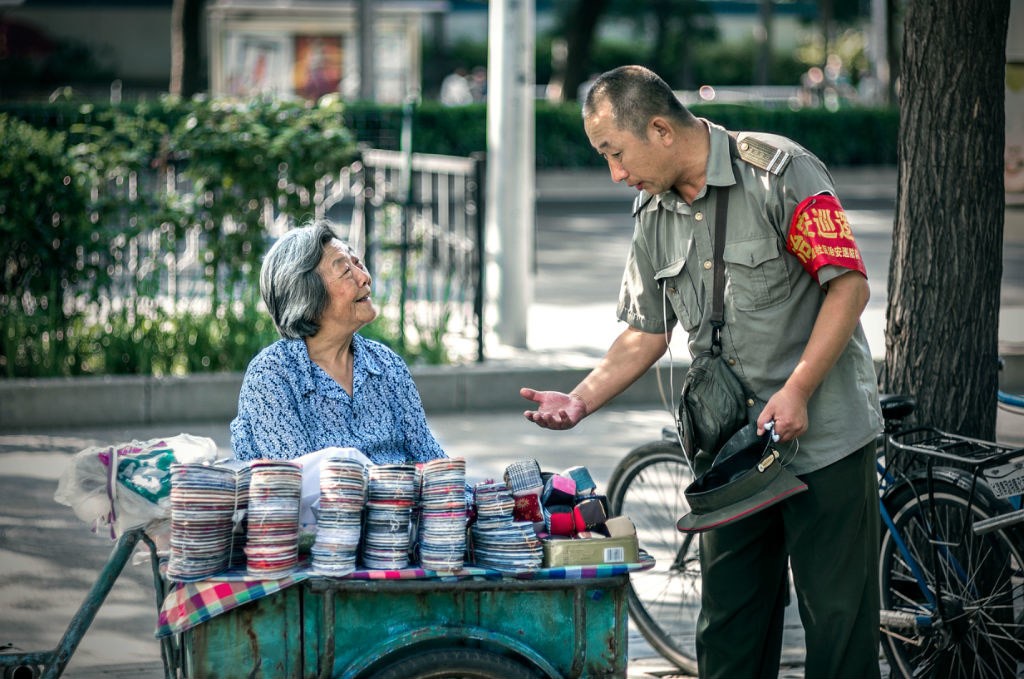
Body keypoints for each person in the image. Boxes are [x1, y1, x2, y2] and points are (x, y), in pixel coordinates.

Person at [520, 65, 882, 678]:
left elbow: (847, 286)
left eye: (615, 152)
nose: (615, 173)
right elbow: (646, 330)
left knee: (839, 632)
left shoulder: (779, 173)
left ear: (659, 129)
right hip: (731, 458)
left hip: (822, 440)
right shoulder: (653, 213)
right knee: (728, 632)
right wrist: (580, 399)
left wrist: (798, 390)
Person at [231, 220, 448, 465]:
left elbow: (432, 461)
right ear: (307, 296)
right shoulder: (272, 375)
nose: (365, 277)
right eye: (346, 271)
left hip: (401, 500)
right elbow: (302, 481)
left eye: (358, 264)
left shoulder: (386, 364)